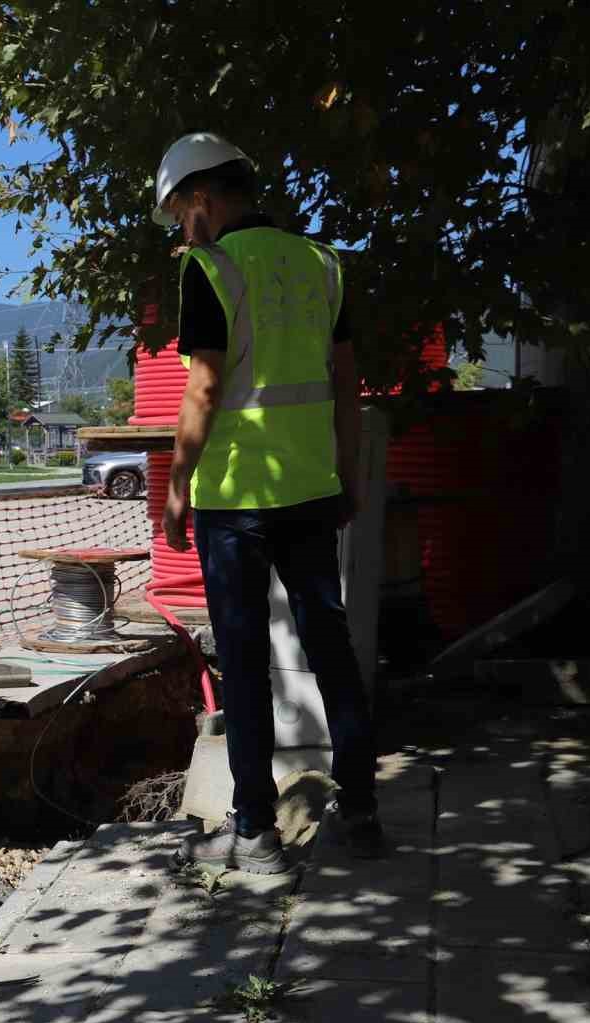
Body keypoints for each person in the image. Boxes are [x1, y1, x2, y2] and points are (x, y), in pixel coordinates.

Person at [155, 133, 384, 872]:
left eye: (180, 211)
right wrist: (350, 475)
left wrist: (178, 483)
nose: (181, 227)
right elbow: (346, 384)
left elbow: (206, 386)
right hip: (313, 489)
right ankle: (363, 813)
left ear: (200, 200)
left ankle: (254, 831)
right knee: (333, 652)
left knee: (245, 660)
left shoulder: (209, 269)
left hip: (237, 500)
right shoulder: (322, 264)